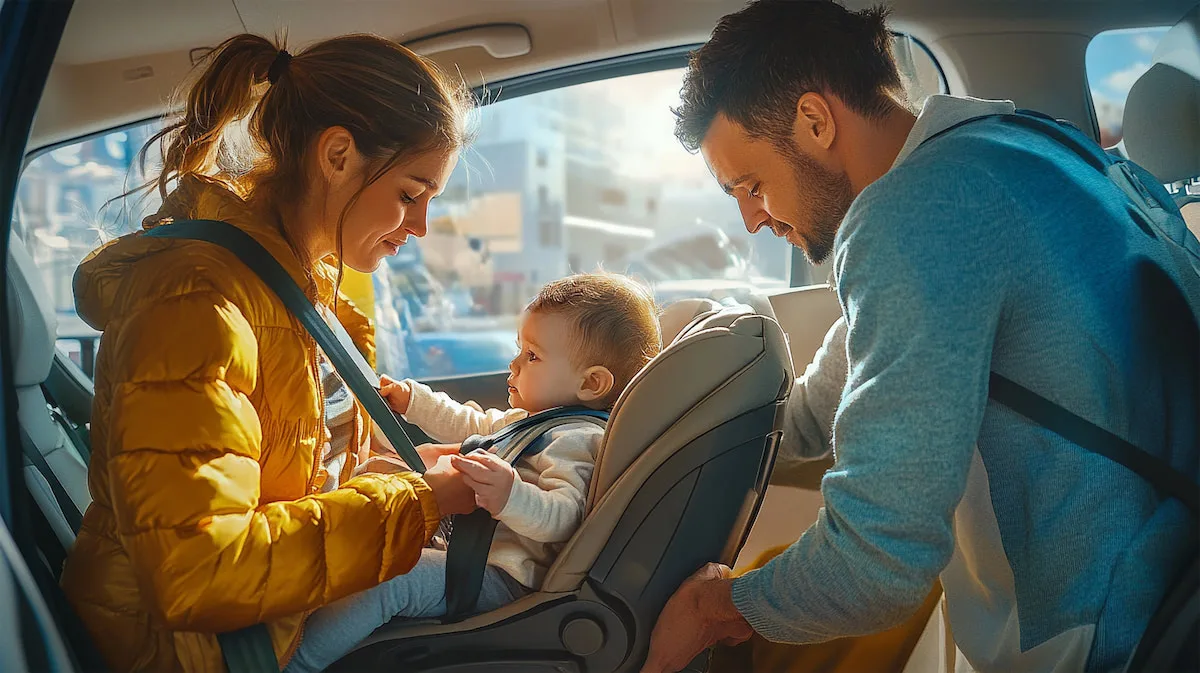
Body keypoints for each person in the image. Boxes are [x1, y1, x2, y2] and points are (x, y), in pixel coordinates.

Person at [642, 2, 1200, 672]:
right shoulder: (1028, 146)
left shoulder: (911, 216)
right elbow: (815, 413)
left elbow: (876, 563)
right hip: (1165, 588)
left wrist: (714, 609)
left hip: (1104, 636)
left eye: (751, 185)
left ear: (816, 121)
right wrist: (642, 422)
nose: (751, 221)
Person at [61, 33, 481, 672]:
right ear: (337, 155)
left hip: (275, 623)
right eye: (409, 194)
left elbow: (288, 485)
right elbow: (199, 571)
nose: (420, 226)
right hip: (199, 654)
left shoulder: (304, 296)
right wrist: (416, 504)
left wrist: (397, 474)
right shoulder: (198, 301)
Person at [284, 272, 662, 672]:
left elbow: (565, 518)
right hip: (470, 553)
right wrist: (414, 401)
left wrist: (511, 495)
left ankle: (296, 663)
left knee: (391, 581)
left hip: (503, 581)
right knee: (378, 487)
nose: (514, 364)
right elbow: (471, 422)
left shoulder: (578, 440)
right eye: (519, 349)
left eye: (532, 356)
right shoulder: (530, 420)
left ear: (591, 383)